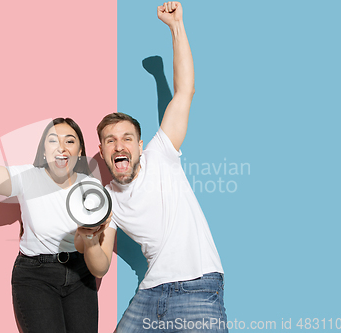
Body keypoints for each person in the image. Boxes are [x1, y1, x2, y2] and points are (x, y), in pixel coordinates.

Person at [76, 2, 228, 332]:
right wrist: (88, 240)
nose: (119, 145)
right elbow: (99, 267)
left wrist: (176, 26)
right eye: (110, 140)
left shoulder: (162, 154)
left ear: (140, 146)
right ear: (101, 151)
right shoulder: (105, 201)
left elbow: (185, 91)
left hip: (197, 288)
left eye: (127, 138)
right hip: (149, 294)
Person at [0, 82, 109, 333]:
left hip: (80, 275)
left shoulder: (92, 188)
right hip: (36, 276)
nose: (61, 147)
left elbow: (97, 250)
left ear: (80, 150)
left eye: (70, 141)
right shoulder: (27, 177)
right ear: (44, 150)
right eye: (53, 140)